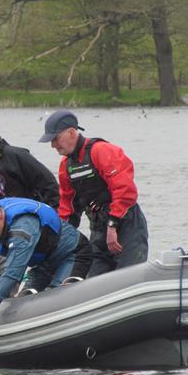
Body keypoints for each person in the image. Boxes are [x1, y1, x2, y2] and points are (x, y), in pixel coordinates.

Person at [39, 110, 148, 277]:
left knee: (127, 277)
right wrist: (58, 240)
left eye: (55, 139)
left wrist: (113, 225)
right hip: (98, 228)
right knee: (92, 281)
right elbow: (67, 208)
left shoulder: (101, 150)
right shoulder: (66, 166)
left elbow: (125, 190)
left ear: (71, 133)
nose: (53, 145)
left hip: (126, 224)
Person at [0, 197, 79, 326]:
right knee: (25, 299)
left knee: (56, 298)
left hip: (71, 254)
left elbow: (12, 274)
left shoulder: (22, 230)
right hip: (44, 264)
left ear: (0, 216)